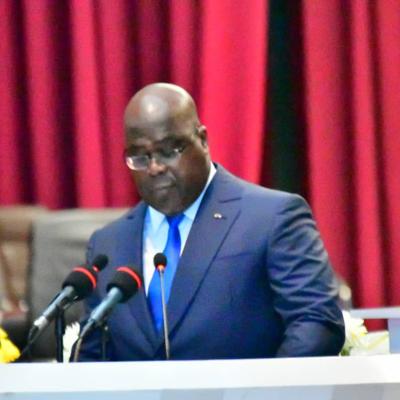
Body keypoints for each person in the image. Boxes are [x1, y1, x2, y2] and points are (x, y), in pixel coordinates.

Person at [76, 83, 345, 361]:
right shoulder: (108, 244)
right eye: (140, 157)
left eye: (169, 150)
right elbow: (93, 353)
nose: (155, 167)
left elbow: (316, 324)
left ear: (203, 140)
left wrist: (264, 385)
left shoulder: (271, 218)